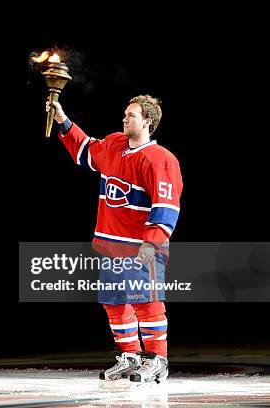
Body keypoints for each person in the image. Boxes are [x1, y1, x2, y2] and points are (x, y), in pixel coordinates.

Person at [46, 95, 183, 385]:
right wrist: (61, 119)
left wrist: (152, 242)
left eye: (131, 115)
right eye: (125, 114)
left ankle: (157, 360)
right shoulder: (115, 145)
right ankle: (130, 356)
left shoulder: (161, 160)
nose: (124, 118)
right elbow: (85, 149)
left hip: (140, 247)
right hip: (111, 245)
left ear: (147, 121)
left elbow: (166, 205)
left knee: (146, 300)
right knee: (114, 302)